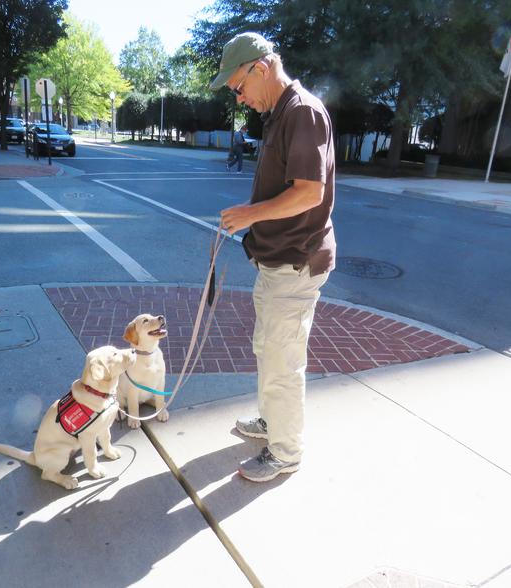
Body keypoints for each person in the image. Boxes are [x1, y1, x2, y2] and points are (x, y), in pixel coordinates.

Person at [211, 32, 336, 482]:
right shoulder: (281, 112)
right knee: (268, 349)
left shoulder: (302, 111)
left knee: (283, 361)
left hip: (295, 260)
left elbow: (309, 192)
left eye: (238, 88)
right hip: (276, 259)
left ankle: (285, 452)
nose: (239, 97)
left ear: (259, 68)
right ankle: (271, 424)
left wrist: (249, 214)